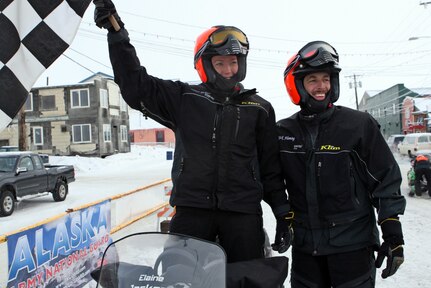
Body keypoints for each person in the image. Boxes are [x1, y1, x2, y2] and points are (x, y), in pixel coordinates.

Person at [93, 0, 291, 263]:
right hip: (192, 212)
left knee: (247, 279)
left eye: (233, 62)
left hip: (242, 214)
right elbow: (135, 85)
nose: (228, 70)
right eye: (220, 63)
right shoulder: (185, 98)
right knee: (179, 276)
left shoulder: (259, 108)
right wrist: (117, 35)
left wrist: (281, 213)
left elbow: (270, 168)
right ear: (205, 65)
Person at [277, 40, 406, 287]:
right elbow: (270, 179)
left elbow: (385, 179)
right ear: (297, 85)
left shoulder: (358, 125)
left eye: (326, 78)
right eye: (312, 79)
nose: (321, 86)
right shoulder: (283, 131)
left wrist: (393, 233)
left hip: (353, 247)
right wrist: (283, 217)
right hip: (306, 251)